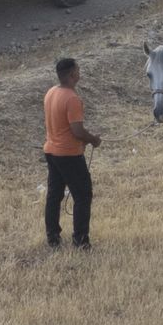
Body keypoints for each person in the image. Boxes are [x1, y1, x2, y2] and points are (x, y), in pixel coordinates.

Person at [42, 57, 101, 250]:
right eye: (78, 70)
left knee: (54, 195)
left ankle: (52, 237)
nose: (79, 72)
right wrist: (92, 139)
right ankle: (81, 241)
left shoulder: (51, 92)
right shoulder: (72, 99)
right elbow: (76, 130)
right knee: (83, 195)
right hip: (68, 154)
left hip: (51, 151)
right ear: (71, 74)